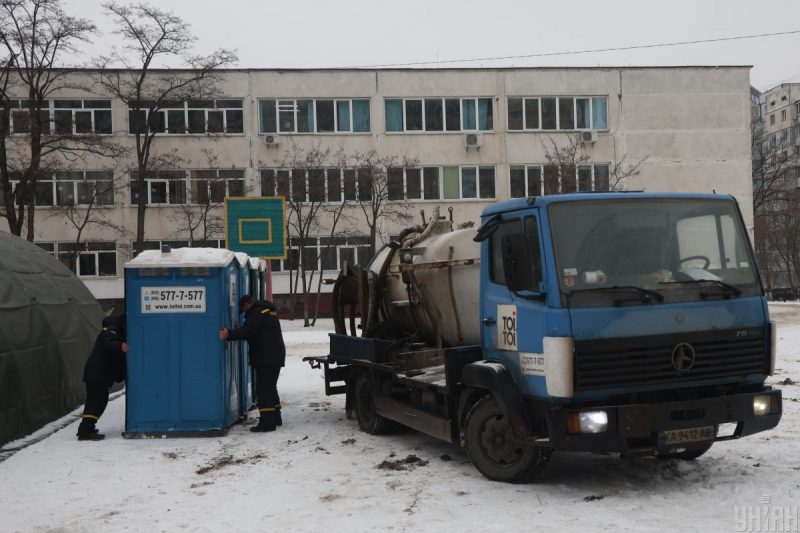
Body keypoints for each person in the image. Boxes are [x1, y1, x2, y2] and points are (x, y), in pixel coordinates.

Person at [220, 296, 286, 433]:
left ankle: (267, 423)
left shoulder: (257, 312)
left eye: (243, 309)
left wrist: (229, 334)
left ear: (247, 304)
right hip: (273, 355)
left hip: (267, 357)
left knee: (264, 390)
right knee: (270, 387)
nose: (244, 312)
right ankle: (275, 418)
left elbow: (249, 331)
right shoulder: (266, 310)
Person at [77, 315, 128, 441]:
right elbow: (109, 344)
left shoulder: (115, 331)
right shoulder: (111, 330)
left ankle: (87, 428)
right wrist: (120, 346)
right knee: (96, 402)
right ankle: (85, 432)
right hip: (97, 375)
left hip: (99, 375)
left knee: (99, 401)